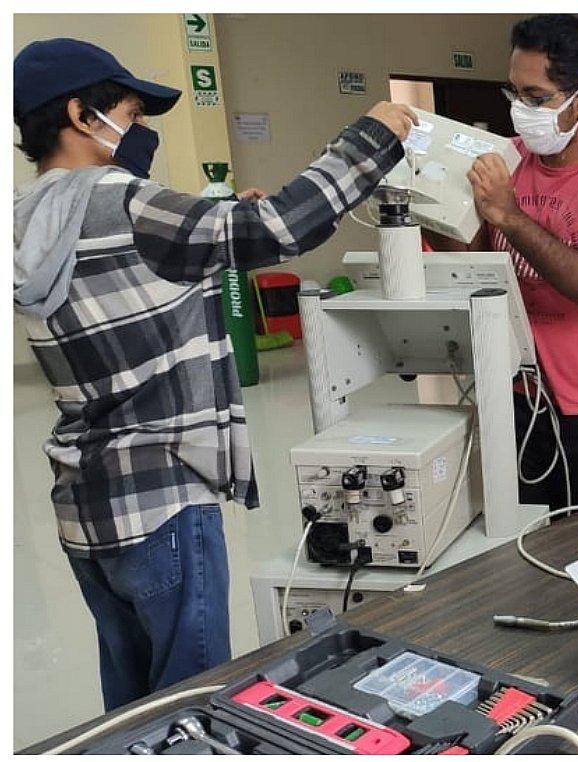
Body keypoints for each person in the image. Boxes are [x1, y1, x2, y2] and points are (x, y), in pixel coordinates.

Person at [13, 38, 416, 710]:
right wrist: (372, 136)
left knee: (131, 704)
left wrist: (220, 226)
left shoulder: (27, 219)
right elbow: (281, 226)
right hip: (164, 502)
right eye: (132, 115)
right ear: (81, 115)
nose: (140, 131)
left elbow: (132, 283)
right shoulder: (125, 202)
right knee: (192, 704)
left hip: (87, 506)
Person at [428, 14, 578, 510]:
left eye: (535, 98)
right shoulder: (505, 160)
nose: (520, 110)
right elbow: (475, 264)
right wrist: (425, 205)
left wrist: (510, 216)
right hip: (517, 392)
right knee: (520, 537)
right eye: (513, 93)